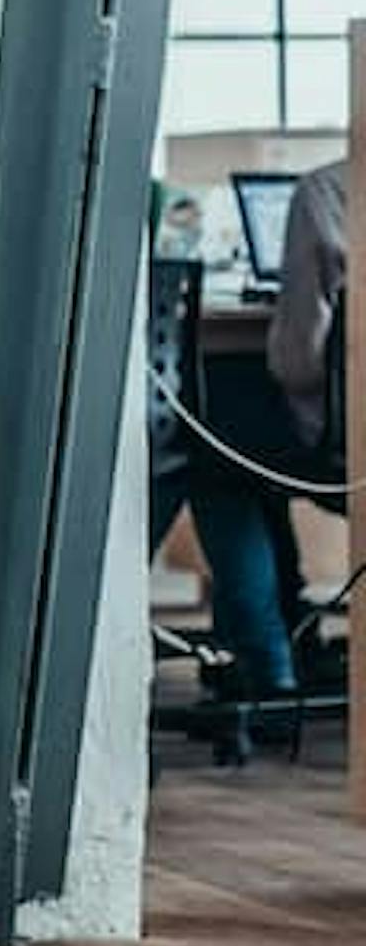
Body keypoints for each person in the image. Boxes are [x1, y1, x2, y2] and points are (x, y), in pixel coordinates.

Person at [166, 157, 351, 698]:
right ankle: (298, 639)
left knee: (218, 450)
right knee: (250, 443)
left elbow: (296, 363)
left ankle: (269, 663)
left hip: (345, 459)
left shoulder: (328, 191)